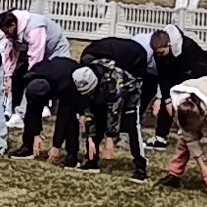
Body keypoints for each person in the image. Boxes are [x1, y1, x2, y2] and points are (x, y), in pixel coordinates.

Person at [63, 54, 150, 182]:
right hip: (105, 98)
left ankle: (140, 167)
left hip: (128, 98)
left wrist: (110, 137)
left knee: (131, 128)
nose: (88, 94)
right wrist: (91, 137)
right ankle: (92, 161)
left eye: (90, 91)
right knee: (96, 123)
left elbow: (115, 111)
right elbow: (88, 111)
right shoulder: (81, 82)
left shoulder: (113, 81)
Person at [81, 35, 158, 134]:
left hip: (132, 58)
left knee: (124, 94)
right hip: (105, 53)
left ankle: (127, 125)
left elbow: (116, 100)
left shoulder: (115, 75)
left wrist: (111, 134)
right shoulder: (84, 72)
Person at [149, 25, 207, 142]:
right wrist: (167, 99)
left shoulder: (188, 48)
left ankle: (200, 133)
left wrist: (182, 88)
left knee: (191, 105)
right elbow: (163, 76)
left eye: (161, 52)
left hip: (196, 78)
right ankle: (160, 136)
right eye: (156, 53)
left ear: (169, 45)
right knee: (167, 100)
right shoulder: (159, 52)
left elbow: (202, 69)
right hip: (176, 76)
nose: (158, 56)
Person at [12, 54, 84, 160]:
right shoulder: (30, 77)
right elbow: (33, 109)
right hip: (51, 74)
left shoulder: (66, 84)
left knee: (69, 116)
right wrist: (36, 134)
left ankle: (72, 153)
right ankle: (28, 147)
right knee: (31, 108)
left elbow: (62, 116)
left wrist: (56, 145)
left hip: (69, 77)